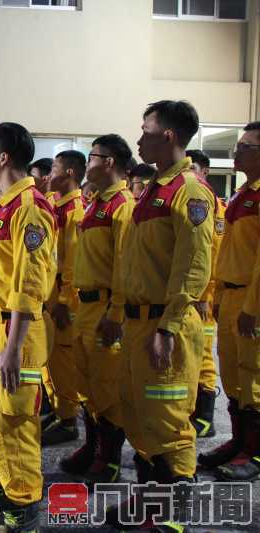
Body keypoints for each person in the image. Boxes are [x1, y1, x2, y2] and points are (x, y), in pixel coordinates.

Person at [108, 100, 213, 530]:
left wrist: (167, 327)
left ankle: (174, 512)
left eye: (145, 129)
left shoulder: (190, 191)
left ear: (168, 135)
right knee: (139, 415)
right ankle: (150, 500)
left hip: (164, 324)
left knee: (169, 419)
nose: (139, 138)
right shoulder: (154, 190)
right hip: (137, 323)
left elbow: (194, 265)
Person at [0, 122, 55, 532]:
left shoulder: (29, 207)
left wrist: (13, 346)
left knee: (15, 425)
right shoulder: (4, 206)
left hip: (14, 332)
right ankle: (8, 504)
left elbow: (29, 284)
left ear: (3, 157)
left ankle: (23, 515)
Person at [61, 134, 134, 484]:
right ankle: (92, 446)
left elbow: (124, 264)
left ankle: (109, 459)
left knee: (107, 386)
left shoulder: (122, 205)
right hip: (86, 305)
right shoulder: (96, 203)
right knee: (87, 383)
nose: (87, 163)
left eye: (92, 156)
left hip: (106, 305)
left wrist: (116, 313)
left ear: (108, 162)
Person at [199, 122, 260, 481]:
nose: (237, 152)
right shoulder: (240, 196)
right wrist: (220, 297)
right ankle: (239, 442)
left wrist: (252, 308)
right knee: (235, 377)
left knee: (254, 379)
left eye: (246, 147)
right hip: (232, 297)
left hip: (252, 301)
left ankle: (255, 452)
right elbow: (229, 255)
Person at [42, 150, 87, 446]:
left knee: (66, 361)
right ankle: (60, 410)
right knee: (54, 361)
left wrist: (65, 301)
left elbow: (72, 263)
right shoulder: (58, 207)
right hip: (51, 296)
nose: (48, 175)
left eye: (55, 168)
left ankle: (69, 418)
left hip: (63, 299)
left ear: (69, 173)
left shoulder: (76, 211)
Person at [187, 148, 225, 439]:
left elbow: (212, 255)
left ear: (206, 171)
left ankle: (206, 417)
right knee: (192, 355)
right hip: (192, 293)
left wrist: (205, 296)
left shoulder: (211, 203)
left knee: (204, 358)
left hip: (205, 296)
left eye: (194, 169)